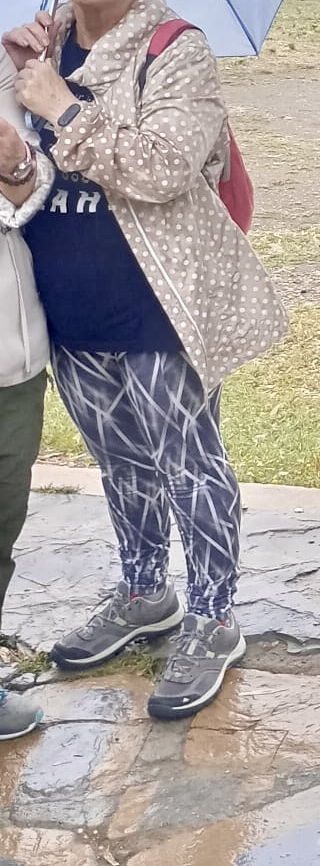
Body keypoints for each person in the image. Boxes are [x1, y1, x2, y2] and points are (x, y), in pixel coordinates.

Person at [1, 0, 287, 720]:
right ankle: (143, 592)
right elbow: (21, 172)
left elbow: (162, 168)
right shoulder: (35, 50)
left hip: (159, 303)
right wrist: (18, 82)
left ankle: (214, 615)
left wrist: (61, 105)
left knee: (191, 466)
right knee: (120, 463)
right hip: (69, 303)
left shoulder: (175, 49)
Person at [0, 53, 55, 742]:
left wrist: (15, 165)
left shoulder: (4, 63)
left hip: (10, 355)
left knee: (0, 525)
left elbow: (30, 194)